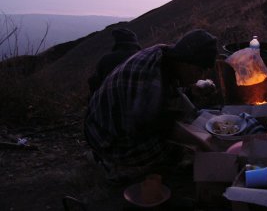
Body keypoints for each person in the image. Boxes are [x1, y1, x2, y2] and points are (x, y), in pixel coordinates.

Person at [84, 29, 218, 182]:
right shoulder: (150, 77)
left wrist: (192, 91)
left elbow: (169, 95)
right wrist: (198, 141)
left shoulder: (165, 56)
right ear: (186, 60)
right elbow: (154, 124)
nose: (200, 77)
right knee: (172, 150)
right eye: (199, 70)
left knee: (185, 125)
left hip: (122, 119)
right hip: (105, 135)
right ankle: (111, 163)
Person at [88, 28, 142, 98]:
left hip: (112, 101)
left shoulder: (106, 59)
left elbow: (95, 83)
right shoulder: (143, 57)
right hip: (139, 100)